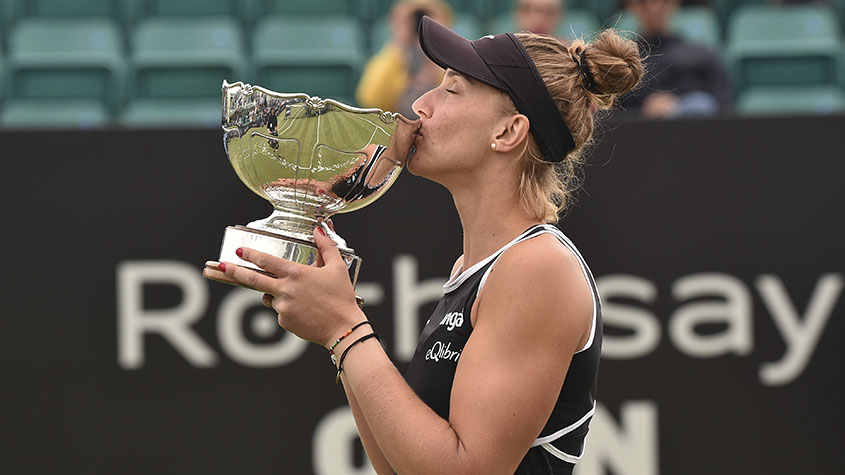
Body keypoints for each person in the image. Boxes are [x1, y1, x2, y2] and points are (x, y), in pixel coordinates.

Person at [217, 16, 643, 474]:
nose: (421, 105)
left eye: (452, 90)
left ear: (507, 133)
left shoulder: (537, 267)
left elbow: (464, 470)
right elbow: (399, 467)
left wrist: (345, 328)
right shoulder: (475, 265)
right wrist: (334, 330)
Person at [619, 0, 732, 118]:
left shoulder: (703, 56)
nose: (654, 9)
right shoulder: (622, 63)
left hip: (693, 131)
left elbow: (724, 108)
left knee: (700, 104)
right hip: (637, 132)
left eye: (663, 2)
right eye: (643, 2)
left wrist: (678, 105)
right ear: (632, 5)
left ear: (674, 3)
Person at [355, 0, 453, 117]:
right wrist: (400, 43)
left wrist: (436, 45)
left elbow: (455, 100)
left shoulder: (452, 62)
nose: (419, 23)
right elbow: (369, 99)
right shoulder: (390, 59)